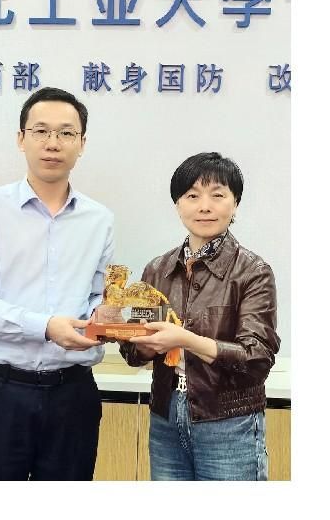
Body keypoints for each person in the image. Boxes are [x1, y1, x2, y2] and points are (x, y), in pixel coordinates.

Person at [0, 87, 113, 481]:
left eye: (66, 133)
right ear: (21, 139)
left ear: (82, 144)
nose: (53, 143)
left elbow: (97, 296)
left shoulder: (100, 219)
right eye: (41, 131)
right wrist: (46, 327)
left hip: (73, 394)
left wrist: (105, 320)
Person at [121, 152, 280, 480]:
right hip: (165, 416)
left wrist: (186, 340)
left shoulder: (253, 271)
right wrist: (144, 344)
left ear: (235, 204)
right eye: (192, 196)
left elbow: (257, 359)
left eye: (217, 195)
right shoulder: (157, 269)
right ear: (178, 205)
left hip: (228, 421)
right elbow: (132, 353)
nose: (204, 207)